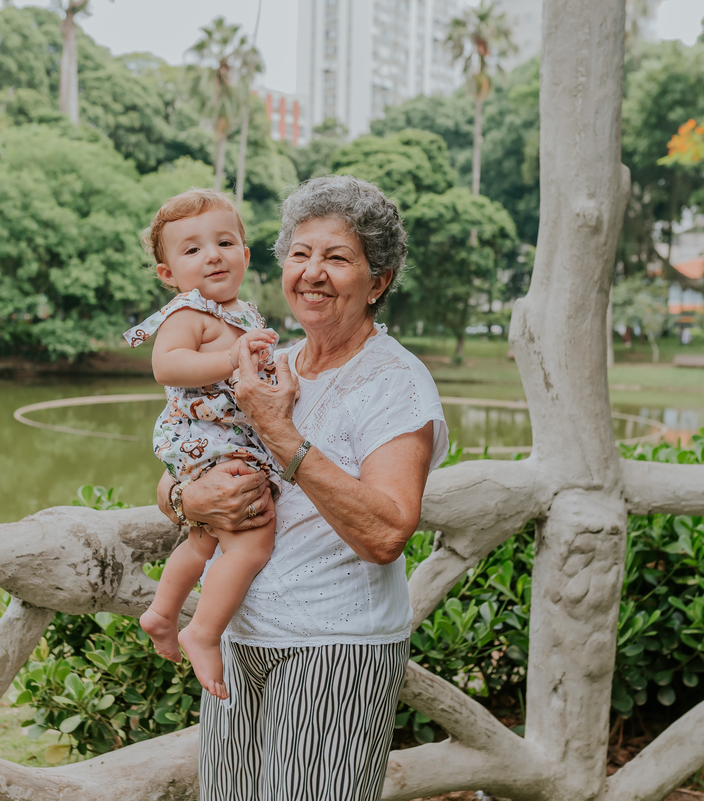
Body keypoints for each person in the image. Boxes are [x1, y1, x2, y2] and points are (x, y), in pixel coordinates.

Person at [158, 175, 448, 801]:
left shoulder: (394, 383)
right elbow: (187, 464)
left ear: (379, 281)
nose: (312, 273)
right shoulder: (269, 361)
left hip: (333, 651)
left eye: (337, 258)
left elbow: (386, 532)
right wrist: (188, 499)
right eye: (300, 254)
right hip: (242, 639)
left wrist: (277, 430)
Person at [126, 188, 281, 700]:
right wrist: (233, 358)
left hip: (231, 440)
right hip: (206, 442)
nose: (212, 255)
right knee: (253, 536)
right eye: (191, 250)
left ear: (245, 253)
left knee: (206, 538)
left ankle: (162, 613)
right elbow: (166, 365)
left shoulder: (244, 311)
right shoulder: (187, 313)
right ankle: (203, 631)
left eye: (224, 241)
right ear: (168, 272)